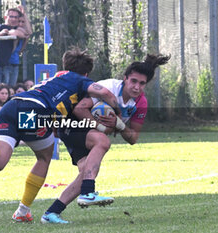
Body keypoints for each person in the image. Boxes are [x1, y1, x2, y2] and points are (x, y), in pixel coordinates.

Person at [0, 47, 121, 222]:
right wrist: (117, 115)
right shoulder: (79, 79)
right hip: (34, 110)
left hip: (12, 106)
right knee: (44, 158)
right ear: (86, 74)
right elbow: (105, 92)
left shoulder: (55, 77)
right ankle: (22, 210)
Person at [40, 54, 171, 224]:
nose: (136, 87)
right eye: (133, 81)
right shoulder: (109, 87)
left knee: (88, 171)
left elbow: (133, 138)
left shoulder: (140, 103)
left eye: (142, 83)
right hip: (72, 122)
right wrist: (102, 127)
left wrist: (120, 125)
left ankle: (51, 213)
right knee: (102, 142)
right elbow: (80, 109)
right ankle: (88, 192)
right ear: (125, 79)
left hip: (87, 131)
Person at [0, 7, 31, 85]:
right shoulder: (2, 27)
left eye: (16, 17)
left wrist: (8, 32)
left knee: (4, 91)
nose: (14, 19)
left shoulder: (13, 29)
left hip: (3, 66)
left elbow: (26, 33)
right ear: (5, 17)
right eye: (11, 16)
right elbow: (20, 33)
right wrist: (4, 32)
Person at [7, 6, 32, 87]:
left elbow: (29, 32)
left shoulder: (24, 34)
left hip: (15, 63)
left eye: (23, 22)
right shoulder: (15, 30)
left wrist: (24, 14)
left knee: (12, 86)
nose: (20, 24)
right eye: (19, 21)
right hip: (7, 63)